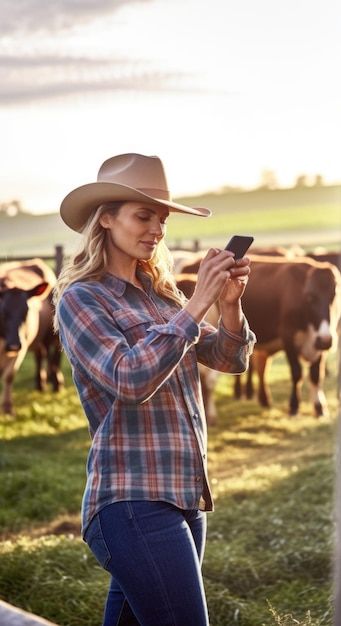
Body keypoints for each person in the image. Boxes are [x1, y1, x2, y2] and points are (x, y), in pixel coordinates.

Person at [53, 153, 256, 626]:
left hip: (185, 496)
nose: (157, 229)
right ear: (105, 218)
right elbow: (130, 379)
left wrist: (228, 307)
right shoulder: (82, 299)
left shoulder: (163, 298)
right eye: (144, 216)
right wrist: (199, 301)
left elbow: (231, 359)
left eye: (162, 218)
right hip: (131, 499)